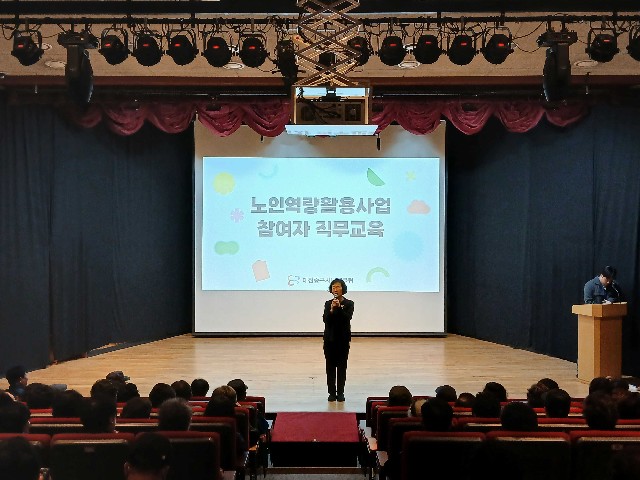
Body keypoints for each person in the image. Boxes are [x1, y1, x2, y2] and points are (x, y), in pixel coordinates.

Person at [322, 278, 354, 402]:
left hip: (343, 340)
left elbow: (347, 318)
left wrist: (339, 308)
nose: (335, 289)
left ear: (343, 289)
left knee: (341, 367)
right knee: (330, 367)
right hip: (329, 340)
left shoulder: (349, 303)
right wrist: (331, 309)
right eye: (333, 287)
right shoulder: (327, 303)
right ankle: (331, 393)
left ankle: (340, 392)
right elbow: (326, 320)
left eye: (338, 286)